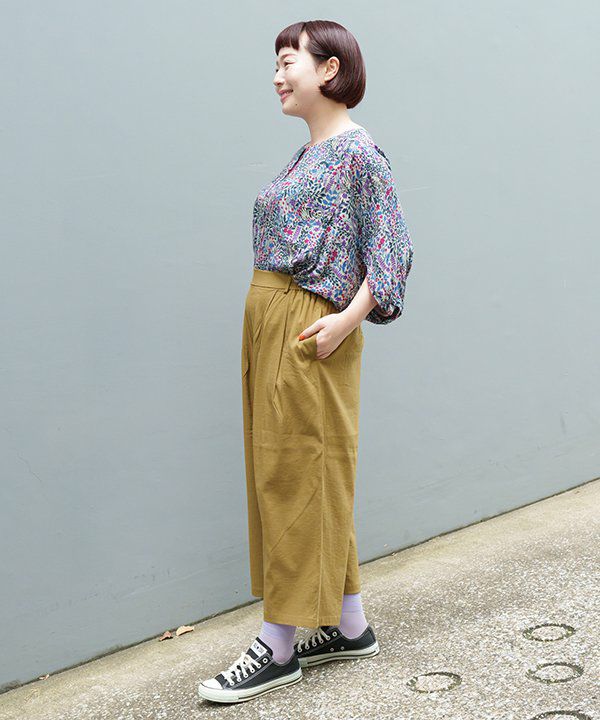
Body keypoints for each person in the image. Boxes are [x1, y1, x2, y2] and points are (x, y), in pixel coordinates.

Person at [198, 19, 414, 704]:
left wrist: (345, 322)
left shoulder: (357, 153)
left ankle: (278, 644)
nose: (276, 76)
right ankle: (349, 626)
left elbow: (393, 251)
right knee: (297, 471)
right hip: (273, 322)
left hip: (308, 326)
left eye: (287, 61)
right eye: (276, 64)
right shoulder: (308, 154)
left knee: (294, 476)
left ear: (329, 69)